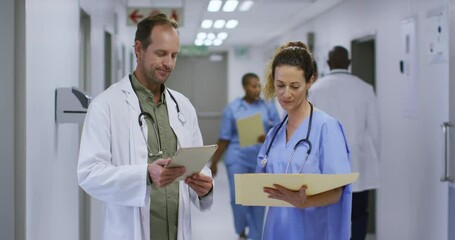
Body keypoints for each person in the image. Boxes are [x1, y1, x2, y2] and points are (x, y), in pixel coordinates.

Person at [77, 13, 213, 240]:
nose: (168, 63)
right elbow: (89, 174)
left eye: (174, 55)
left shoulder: (183, 106)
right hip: (130, 230)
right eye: (161, 54)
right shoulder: (106, 105)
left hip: (176, 231)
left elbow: (198, 163)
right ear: (138, 49)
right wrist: (145, 175)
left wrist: (205, 187)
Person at [257, 41, 352, 240]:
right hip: (276, 231)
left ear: (310, 81)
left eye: (295, 86)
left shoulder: (327, 128)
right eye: (280, 85)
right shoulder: (275, 133)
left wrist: (305, 201)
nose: (286, 94)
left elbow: (337, 191)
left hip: (312, 231)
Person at [309, 46, 381, 240]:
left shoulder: (315, 90)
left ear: (328, 63)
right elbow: (375, 132)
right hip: (358, 164)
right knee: (358, 214)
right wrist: (376, 161)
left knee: (327, 213)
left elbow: (307, 129)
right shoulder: (365, 88)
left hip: (324, 165)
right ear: (349, 63)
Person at [209, 73, 280, 240]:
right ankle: (241, 230)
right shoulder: (232, 108)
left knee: (258, 198)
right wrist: (214, 163)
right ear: (244, 87)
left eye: (259, 86)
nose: (257, 89)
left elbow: (280, 130)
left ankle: (255, 236)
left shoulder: (268, 106)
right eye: (253, 86)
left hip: (260, 159)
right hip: (237, 158)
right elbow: (224, 138)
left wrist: (267, 136)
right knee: (238, 198)